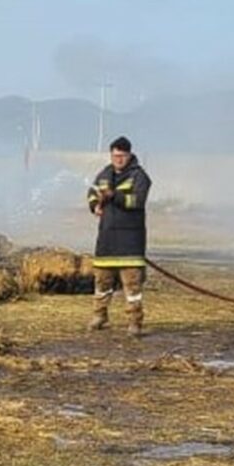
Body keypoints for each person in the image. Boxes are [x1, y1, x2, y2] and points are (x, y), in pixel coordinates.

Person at [86, 136, 152, 337]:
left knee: (132, 286)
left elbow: (137, 202)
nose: (118, 160)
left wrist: (115, 196)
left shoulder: (139, 176)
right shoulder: (104, 174)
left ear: (129, 155)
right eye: (115, 156)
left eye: (122, 156)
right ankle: (100, 315)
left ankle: (134, 322)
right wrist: (94, 204)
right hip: (107, 239)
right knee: (102, 282)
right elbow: (92, 191)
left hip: (130, 241)